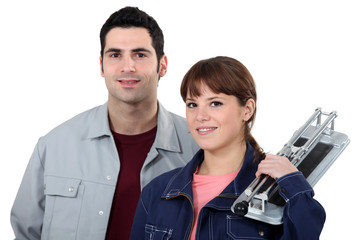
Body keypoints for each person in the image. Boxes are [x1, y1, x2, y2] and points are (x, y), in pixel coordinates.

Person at [10, 6, 198, 240]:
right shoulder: (54, 146)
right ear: (101, 65)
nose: (127, 67)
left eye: (140, 55)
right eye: (115, 55)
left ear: (162, 65)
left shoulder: (199, 148)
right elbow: (25, 234)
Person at [130, 56, 326, 239]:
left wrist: (294, 186)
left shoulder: (276, 192)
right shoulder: (158, 191)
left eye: (215, 103)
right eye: (192, 104)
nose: (200, 116)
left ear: (247, 110)